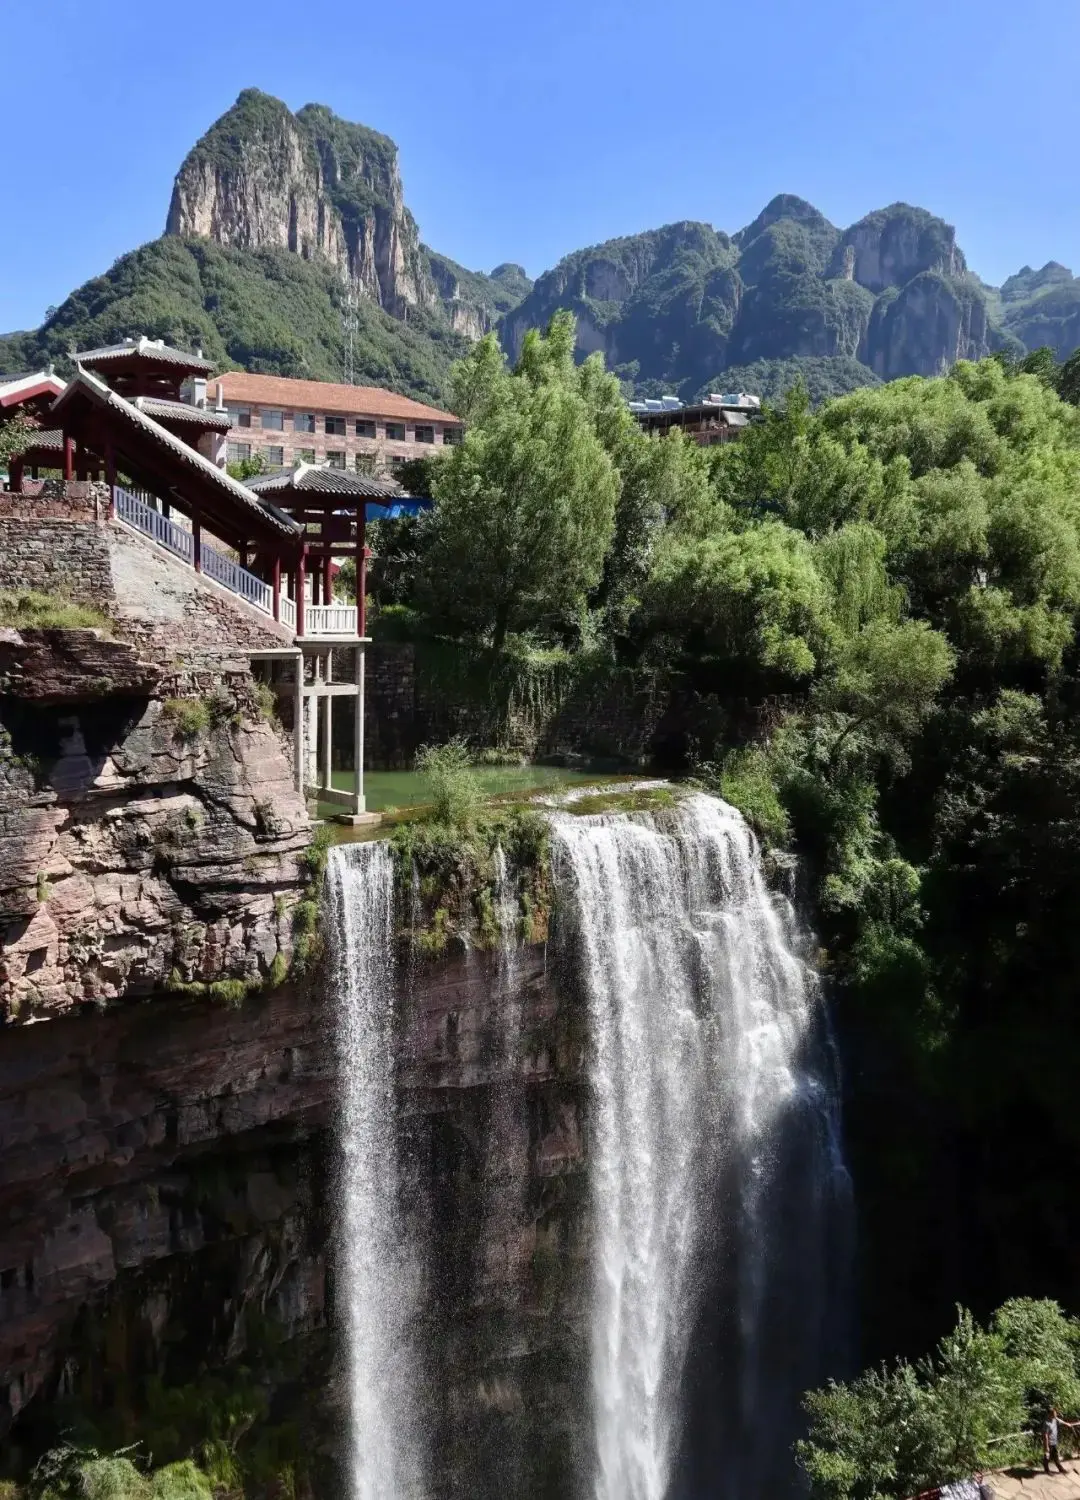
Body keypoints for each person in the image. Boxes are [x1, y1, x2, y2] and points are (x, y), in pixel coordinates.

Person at [1043, 1406, 1075, 1474]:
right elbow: (1045, 1435)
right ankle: (1046, 1470)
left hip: (1054, 1442)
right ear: (1049, 1414)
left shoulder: (1054, 1419)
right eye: (1054, 1414)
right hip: (1049, 1443)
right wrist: (1047, 1447)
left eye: (1055, 1414)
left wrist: (1067, 1424)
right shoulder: (1046, 1423)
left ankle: (1060, 1469)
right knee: (1047, 1457)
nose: (1055, 1415)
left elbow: (1059, 1420)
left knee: (1056, 1456)